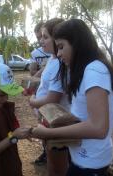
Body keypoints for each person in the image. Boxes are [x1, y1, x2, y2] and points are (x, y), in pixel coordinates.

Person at [30, 19, 113, 176]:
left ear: (77, 44)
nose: (58, 53)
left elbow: (98, 128)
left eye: (61, 47)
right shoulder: (90, 69)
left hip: (90, 164)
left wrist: (48, 134)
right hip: (85, 159)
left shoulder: (94, 71)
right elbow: (86, 117)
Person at [29, 18, 70, 174]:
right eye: (41, 36)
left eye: (45, 37)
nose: (41, 41)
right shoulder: (53, 59)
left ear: (57, 38)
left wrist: (33, 102)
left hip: (57, 122)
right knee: (51, 161)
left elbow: (53, 98)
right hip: (48, 118)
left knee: (56, 168)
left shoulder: (60, 62)